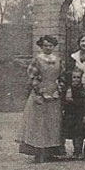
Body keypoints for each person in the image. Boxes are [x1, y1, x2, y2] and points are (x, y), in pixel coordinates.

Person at [20, 35, 64, 163]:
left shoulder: (58, 60)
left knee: (53, 124)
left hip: (54, 95)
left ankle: (51, 152)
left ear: (54, 47)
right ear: (41, 46)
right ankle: (38, 153)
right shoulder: (37, 60)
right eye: (45, 45)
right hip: (40, 94)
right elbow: (32, 77)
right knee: (39, 124)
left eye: (51, 46)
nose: (48, 48)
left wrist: (59, 89)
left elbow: (62, 77)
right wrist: (40, 91)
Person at [61, 68, 85, 160]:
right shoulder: (68, 89)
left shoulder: (83, 89)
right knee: (73, 133)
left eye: (78, 77)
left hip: (80, 114)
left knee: (81, 133)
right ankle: (76, 151)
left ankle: (82, 151)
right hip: (70, 113)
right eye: (74, 77)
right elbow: (63, 101)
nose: (76, 79)